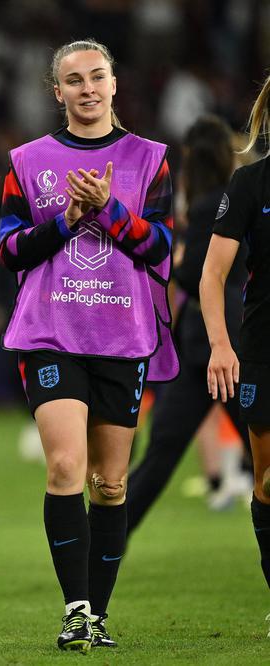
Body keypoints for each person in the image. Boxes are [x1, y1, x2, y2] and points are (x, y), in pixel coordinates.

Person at [0, 39, 175, 651]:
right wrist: (68, 222)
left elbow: (161, 250)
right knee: (65, 465)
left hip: (123, 336)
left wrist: (110, 211)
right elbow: (8, 249)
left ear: (114, 83)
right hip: (51, 333)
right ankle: (75, 611)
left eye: (97, 76)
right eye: (74, 81)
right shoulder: (27, 161)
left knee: (110, 483)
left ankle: (97, 615)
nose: (88, 89)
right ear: (57, 93)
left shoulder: (150, 159)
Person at [127, 115, 250, 533]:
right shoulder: (236, 197)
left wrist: (176, 261)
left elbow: (196, 272)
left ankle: (104, 543)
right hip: (218, 341)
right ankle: (107, 541)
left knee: (162, 450)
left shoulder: (207, 207)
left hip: (217, 343)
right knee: (256, 443)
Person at [202, 71, 270, 620]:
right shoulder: (249, 186)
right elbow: (212, 275)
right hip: (262, 348)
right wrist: (220, 346)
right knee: (268, 483)